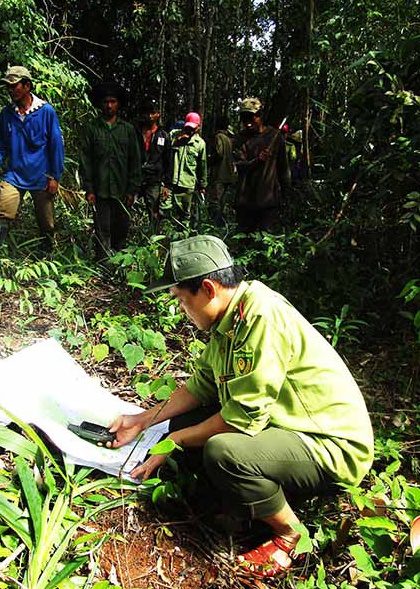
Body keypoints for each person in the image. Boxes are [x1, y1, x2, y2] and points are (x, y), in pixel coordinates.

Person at [107, 235, 374, 577]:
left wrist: (172, 442)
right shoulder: (229, 318)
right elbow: (200, 386)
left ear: (208, 288)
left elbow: (240, 420)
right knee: (185, 423)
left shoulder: (260, 317)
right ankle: (239, 503)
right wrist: (142, 420)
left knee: (222, 451)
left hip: (330, 445)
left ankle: (287, 533)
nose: (182, 310)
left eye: (182, 300)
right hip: (285, 427)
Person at [0, 65, 65, 252]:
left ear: (27, 86)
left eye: (15, 86)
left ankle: (48, 256)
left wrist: (55, 176)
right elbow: (0, 144)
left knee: (46, 222)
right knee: (3, 212)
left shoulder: (46, 112)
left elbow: (56, 146)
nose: (11, 90)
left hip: (41, 176)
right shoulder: (6, 114)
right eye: (8, 87)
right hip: (14, 174)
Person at [79, 82, 142, 260]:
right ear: (100, 104)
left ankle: (119, 264)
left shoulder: (128, 130)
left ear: (118, 104)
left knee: (121, 228)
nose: (109, 105)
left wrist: (132, 190)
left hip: (122, 190)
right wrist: (89, 188)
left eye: (113, 101)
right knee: (102, 228)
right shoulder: (92, 128)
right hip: (100, 190)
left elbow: (135, 161)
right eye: (106, 101)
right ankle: (103, 264)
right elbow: (86, 160)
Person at [232, 98, 290, 233]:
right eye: (244, 118)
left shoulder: (274, 137)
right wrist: (257, 161)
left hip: (268, 202)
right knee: (243, 242)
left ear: (259, 116)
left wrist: (286, 193)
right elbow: (239, 166)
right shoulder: (239, 139)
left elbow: (283, 168)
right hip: (245, 202)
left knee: (265, 241)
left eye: (251, 118)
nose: (247, 123)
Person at [167, 112, 208, 230]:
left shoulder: (200, 144)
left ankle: (183, 239)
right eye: (187, 127)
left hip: (187, 185)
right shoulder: (173, 135)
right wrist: (177, 141)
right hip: (170, 183)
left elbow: (202, 165)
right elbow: (164, 153)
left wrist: (202, 185)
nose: (189, 130)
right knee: (165, 213)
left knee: (185, 216)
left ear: (198, 128)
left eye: (192, 128)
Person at [136, 100, 171, 234]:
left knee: (154, 213)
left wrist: (167, 185)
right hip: (135, 178)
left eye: (152, 113)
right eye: (146, 112)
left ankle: (153, 242)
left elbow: (168, 162)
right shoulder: (135, 133)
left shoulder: (164, 136)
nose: (149, 116)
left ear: (158, 114)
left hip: (154, 181)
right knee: (126, 208)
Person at [208, 117, 236, 229]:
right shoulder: (229, 139)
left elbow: (219, 153)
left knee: (215, 201)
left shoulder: (218, 137)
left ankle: (216, 225)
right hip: (228, 175)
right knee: (223, 202)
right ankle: (223, 224)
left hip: (219, 174)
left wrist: (209, 161)